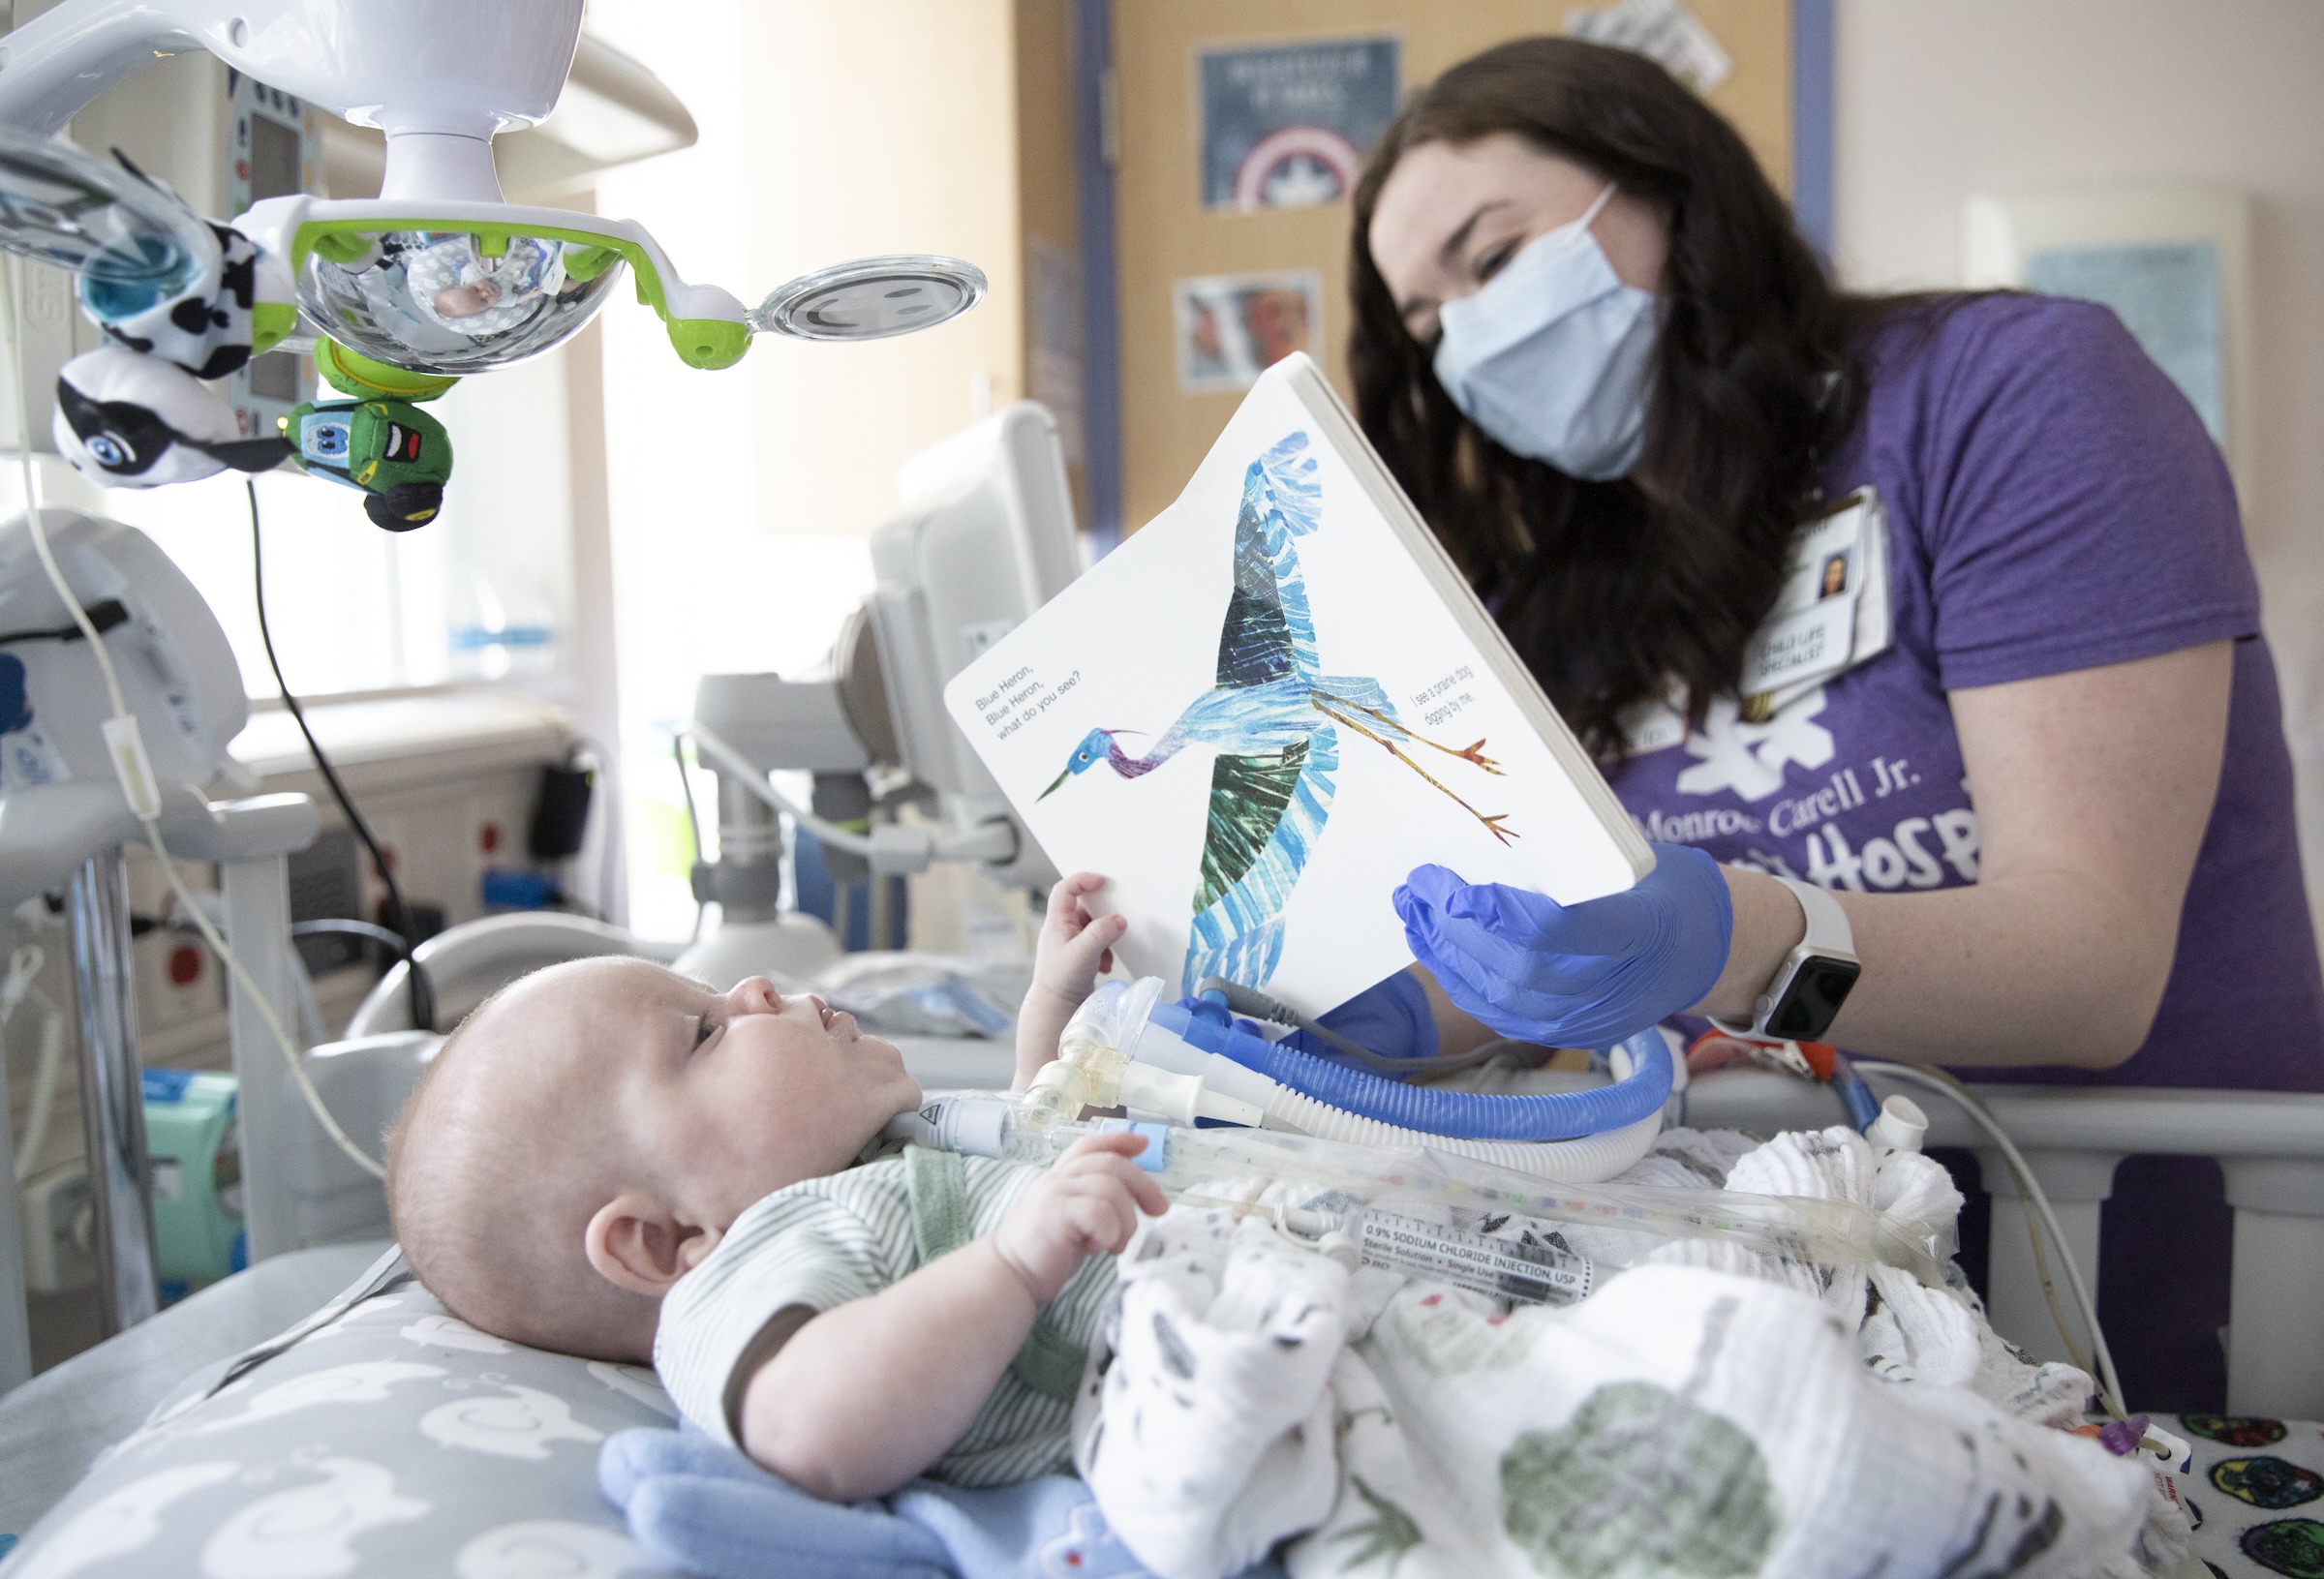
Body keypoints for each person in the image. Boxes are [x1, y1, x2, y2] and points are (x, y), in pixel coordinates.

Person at [1340, 36, 2324, 1409]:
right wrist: (1341, 1001)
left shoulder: (2012, 398)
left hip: (2147, 1278)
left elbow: (2093, 963)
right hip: (1808, 1320)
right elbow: (1548, 936)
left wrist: (1738, 942)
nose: (1469, 344)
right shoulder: (1555, 591)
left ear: (1670, 194)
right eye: (1429, 327)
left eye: (1495, 260)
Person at [385, 874, 1163, 1501]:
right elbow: (814, 1429)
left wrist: (1056, 1014)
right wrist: (1015, 1266)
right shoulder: (744, 1272)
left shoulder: (888, 1151)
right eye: (704, 1031)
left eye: (712, 992)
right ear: (663, 1239)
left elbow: (1040, 1140)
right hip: (1184, 1376)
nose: (753, 987)